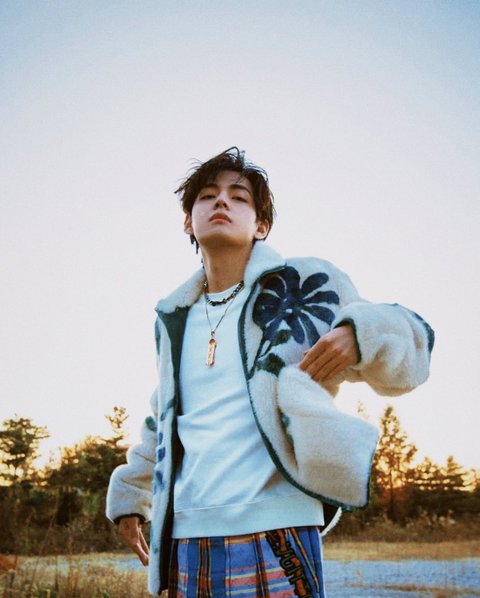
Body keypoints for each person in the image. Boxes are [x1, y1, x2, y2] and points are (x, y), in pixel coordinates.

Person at [106, 147, 434, 597]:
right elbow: (162, 416)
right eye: (207, 195)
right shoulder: (174, 319)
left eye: (238, 196)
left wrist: (361, 333)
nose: (222, 201)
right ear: (188, 222)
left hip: (278, 525)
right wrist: (130, 494)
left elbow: (415, 351)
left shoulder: (306, 284)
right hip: (188, 535)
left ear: (260, 225)